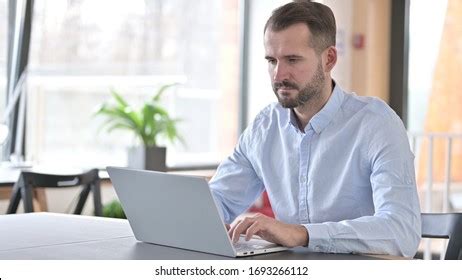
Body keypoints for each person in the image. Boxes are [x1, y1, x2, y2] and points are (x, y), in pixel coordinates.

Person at [209, 0, 421, 257]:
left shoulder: (377, 124)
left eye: (292, 59)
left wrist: (301, 233)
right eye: (271, 60)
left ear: (329, 59)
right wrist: (193, 220)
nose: (278, 75)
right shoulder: (265, 127)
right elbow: (217, 200)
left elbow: (402, 232)